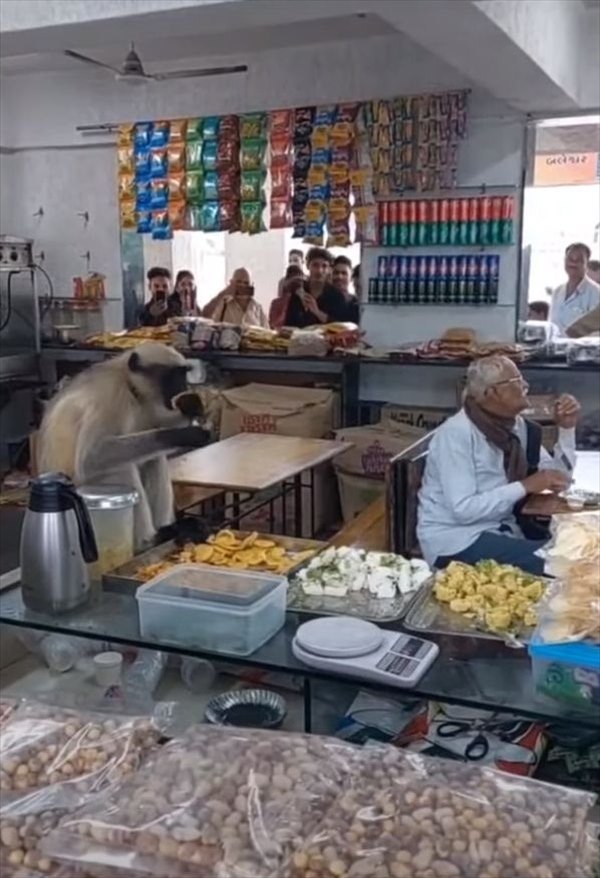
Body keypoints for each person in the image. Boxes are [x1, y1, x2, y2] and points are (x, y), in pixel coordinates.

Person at [417, 355, 579, 575]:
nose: (525, 386)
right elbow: (463, 510)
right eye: (516, 382)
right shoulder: (457, 435)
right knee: (564, 565)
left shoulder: (516, 427)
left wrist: (567, 429)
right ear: (491, 393)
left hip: (503, 527)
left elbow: (561, 478)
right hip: (457, 538)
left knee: (581, 548)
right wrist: (525, 486)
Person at [283, 247, 348, 328]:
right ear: (307, 266)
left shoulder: (336, 296)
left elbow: (341, 327)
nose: (319, 271)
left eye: (324, 266)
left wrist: (316, 311)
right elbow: (288, 325)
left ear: (329, 269)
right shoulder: (299, 293)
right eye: (315, 265)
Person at [549, 243, 600, 336]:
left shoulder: (596, 293)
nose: (573, 263)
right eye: (570, 259)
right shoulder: (557, 292)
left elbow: (596, 333)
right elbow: (551, 326)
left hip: (582, 349)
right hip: (555, 348)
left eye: (579, 260)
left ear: (587, 264)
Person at [203, 267, 269, 327]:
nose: (242, 286)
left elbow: (267, 334)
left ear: (251, 285)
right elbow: (205, 315)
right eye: (238, 282)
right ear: (231, 282)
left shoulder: (258, 308)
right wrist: (224, 293)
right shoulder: (223, 303)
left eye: (246, 283)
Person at [269, 265, 304, 329]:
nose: (296, 286)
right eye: (293, 283)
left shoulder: (306, 301)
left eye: (299, 283)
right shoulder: (276, 303)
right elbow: (273, 325)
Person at [332, 255, 359, 324]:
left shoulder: (356, 303)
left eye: (344, 273)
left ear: (351, 276)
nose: (339, 277)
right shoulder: (324, 300)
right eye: (336, 273)